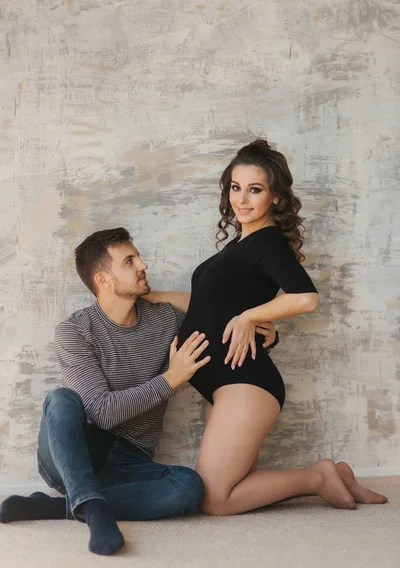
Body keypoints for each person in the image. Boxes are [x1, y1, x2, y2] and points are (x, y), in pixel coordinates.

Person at [146, 138, 388, 515]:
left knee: (215, 500)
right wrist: (149, 295)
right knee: (236, 487)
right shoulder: (238, 246)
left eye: (255, 190)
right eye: (236, 188)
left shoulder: (267, 243)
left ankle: (318, 476)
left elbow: (306, 297)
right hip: (222, 386)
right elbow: (206, 305)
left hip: (245, 384)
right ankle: (340, 474)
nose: (242, 199)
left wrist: (251, 316)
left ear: (275, 197)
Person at [0, 227, 277, 555]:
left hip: (131, 462)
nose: (143, 264)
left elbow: (221, 319)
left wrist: (264, 330)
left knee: (189, 487)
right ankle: (93, 507)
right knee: (61, 399)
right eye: (129, 261)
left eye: (138, 257)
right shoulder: (75, 331)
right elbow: (100, 410)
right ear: (103, 279)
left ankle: (66, 507)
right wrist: (170, 379)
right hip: (74, 453)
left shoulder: (167, 321)